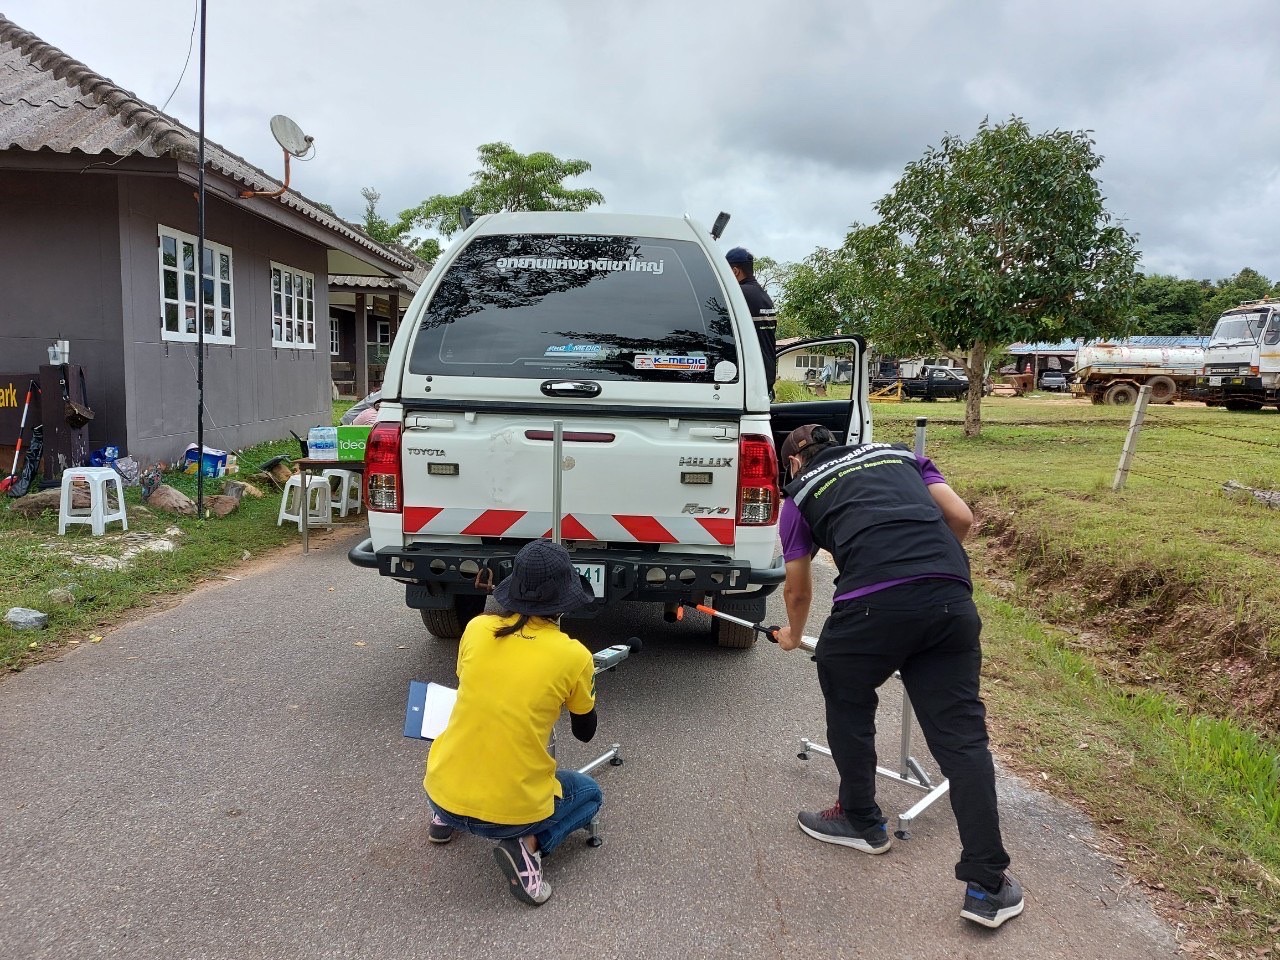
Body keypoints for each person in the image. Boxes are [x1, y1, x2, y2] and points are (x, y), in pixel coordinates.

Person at [773, 424, 1025, 930]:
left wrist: (793, 636)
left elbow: (798, 590)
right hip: (949, 600)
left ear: (794, 462)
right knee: (962, 741)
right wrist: (925, 571)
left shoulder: (799, 493)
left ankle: (861, 820)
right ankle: (987, 886)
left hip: (868, 609)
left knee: (848, 703)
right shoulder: (900, 455)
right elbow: (961, 517)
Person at [423, 539, 601, 907]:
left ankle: (443, 819)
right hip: (509, 815)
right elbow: (585, 733)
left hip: (439, 790)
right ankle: (527, 846)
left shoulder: (476, 628)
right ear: (564, 601)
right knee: (589, 794)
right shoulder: (574, 656)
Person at [725, 247, 778, 398]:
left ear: (735, 271)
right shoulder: (764, 296)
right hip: (765, 376)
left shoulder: (739, 294)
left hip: (749, 380)